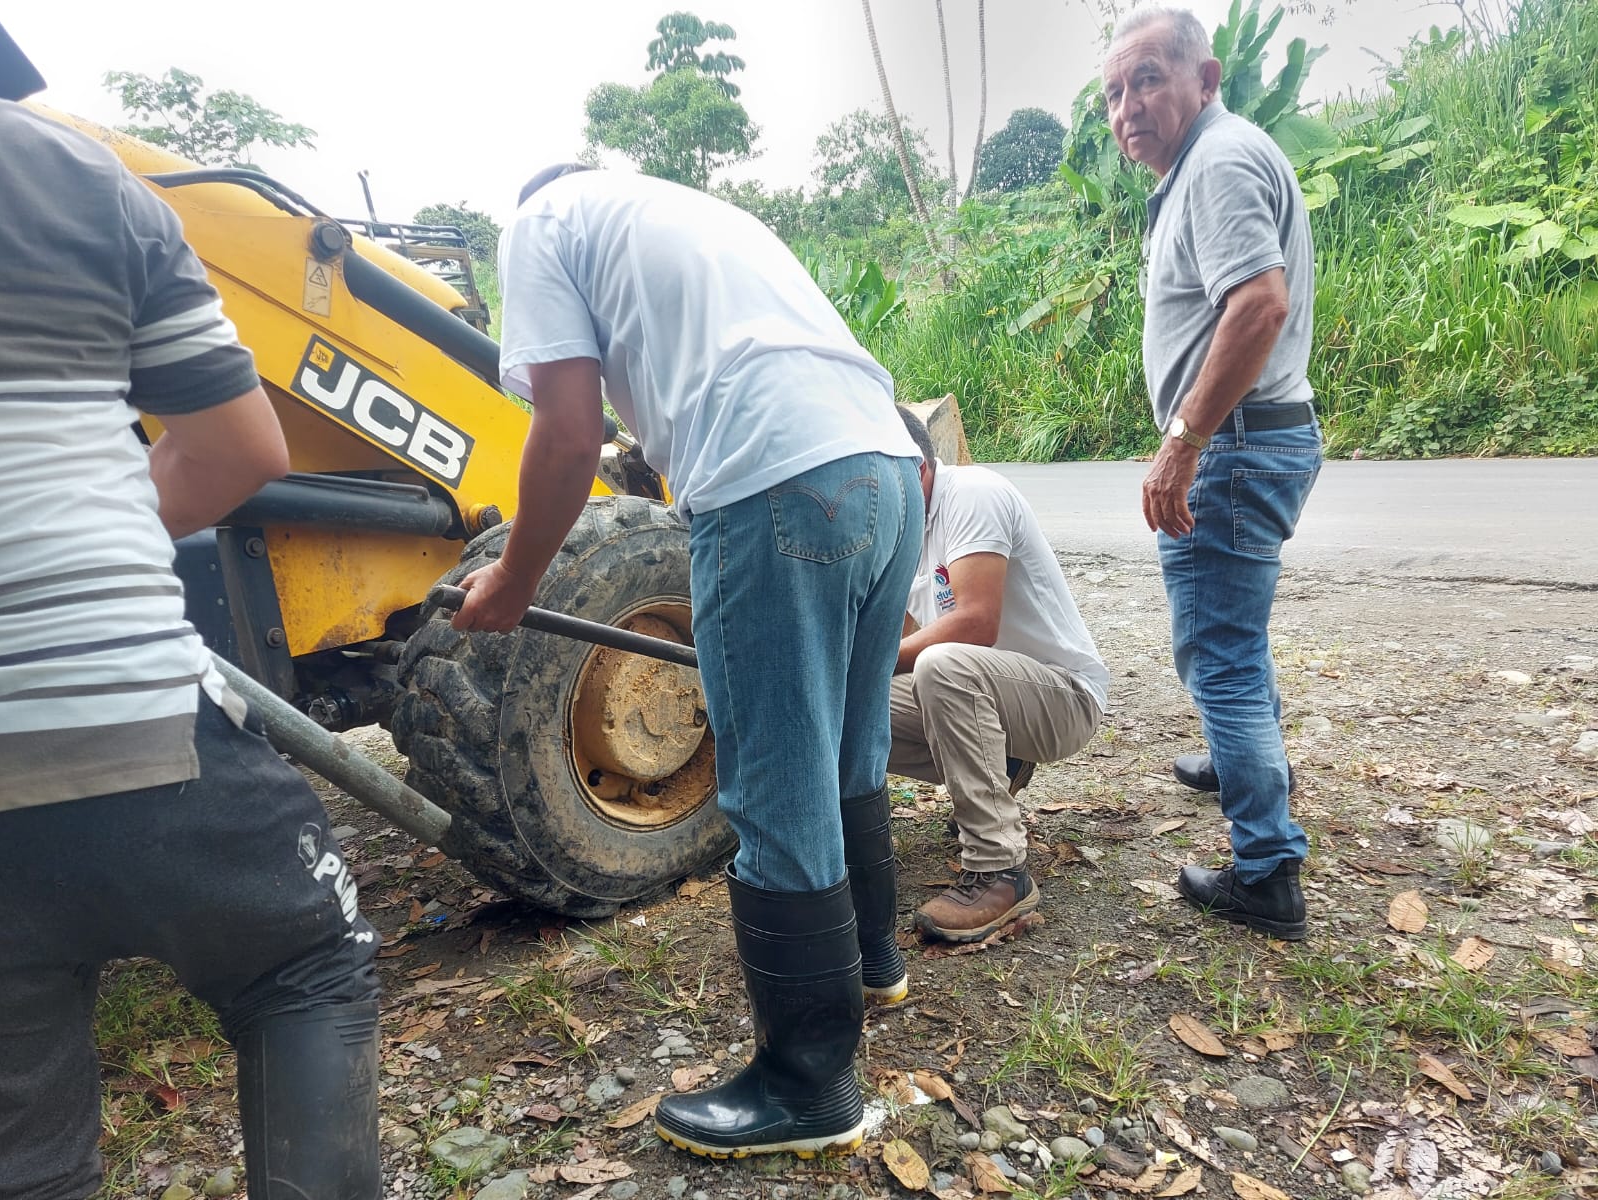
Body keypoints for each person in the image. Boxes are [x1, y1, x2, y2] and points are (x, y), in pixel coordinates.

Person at [460, 164, 922, 1160]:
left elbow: (567, 431)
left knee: (773, 781)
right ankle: (872, 958)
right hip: (886, 467)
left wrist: (514, 578)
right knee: (851, 740)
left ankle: (808, 1086)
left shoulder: (541, 221)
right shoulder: (688, 214)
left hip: (774, 479)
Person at [0, 26, 382, 1199]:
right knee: (303, 969)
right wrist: (96, 538)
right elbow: (238, 447)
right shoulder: (71, 172)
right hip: (128, 717)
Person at [1103, 6, 1322, 939]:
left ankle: (1265, 871)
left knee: (1218, 654)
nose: (1128, 106)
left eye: (1148, 78)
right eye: (1114, 92)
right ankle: (1248, 763)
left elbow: (1259, 305)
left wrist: (1183, 441)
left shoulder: (1219, 162)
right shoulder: (1206, 162)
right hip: (1255, 437)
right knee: (1237, 634)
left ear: (1206, 77)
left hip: (1231, 448)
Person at [889, 407, 1109, 943]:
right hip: (987, 698)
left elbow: (975, 623)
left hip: (1063, 696)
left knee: (943, 663)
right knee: (845, 701)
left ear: (916, 468)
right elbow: (900, 638)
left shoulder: (971, 494)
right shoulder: (898, 531)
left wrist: (863, 661)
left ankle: (1000, 871)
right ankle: (998, 765)